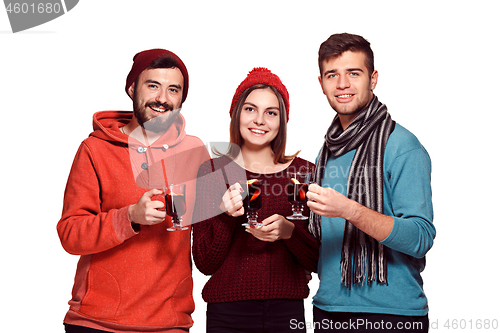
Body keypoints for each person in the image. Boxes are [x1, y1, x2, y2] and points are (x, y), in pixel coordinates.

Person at [57, 49, 209, 333]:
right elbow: (70, 234)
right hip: (96, 323)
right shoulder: (95, 150)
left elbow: (210, 231)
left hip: (169, 324)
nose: (163, 98)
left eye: (173, 89)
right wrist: (129, 217)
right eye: (153, 85)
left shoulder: (195, 151)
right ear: (131, 88)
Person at [306, 33, 435, 332]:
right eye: (332, 75)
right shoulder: (326, 151)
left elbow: (420, 238)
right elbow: (321, 237)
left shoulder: (402, 146)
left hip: (393, 316)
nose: (342, 84)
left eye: (354, 73)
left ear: (373, 79)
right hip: (328, 310)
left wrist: (350, 210)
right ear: (321, 83)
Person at [192, 68, 319, 333]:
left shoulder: (304, 173)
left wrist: (289, 232)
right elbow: (204, 263)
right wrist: (224, 216)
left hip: (287, 311)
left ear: (281, 121)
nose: (259, 120)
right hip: (227, 314)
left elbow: (318, 261)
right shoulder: (212, 172)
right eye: (251, 109)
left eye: (271, 112)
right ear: (236, 113)